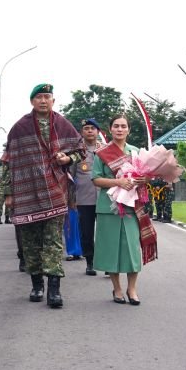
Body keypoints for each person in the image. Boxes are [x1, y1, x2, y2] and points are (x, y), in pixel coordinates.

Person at [2, 83, 85, 308]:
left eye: (47, 97)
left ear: (53, 101)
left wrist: (67, 159)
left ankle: (54, 290)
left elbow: (80, 151)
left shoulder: (63, 124)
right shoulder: (19, 128)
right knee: (30, 243)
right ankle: (37, 284)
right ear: (32, 102)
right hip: (26, 194)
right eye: (38, 97)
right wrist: (8, 193)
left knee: (53, 242)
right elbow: (7, 162)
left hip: (55, 191)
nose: (43, 101)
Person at [92, 115, 155, 305]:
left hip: (132, 207)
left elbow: (146, 176)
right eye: (116, 126)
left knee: (132, 250)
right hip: (108, 207)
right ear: (110, 129)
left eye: (123, 126)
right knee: (111, 249)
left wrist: (145, 179)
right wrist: (118, 182)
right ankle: (117, 288)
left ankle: (132, 288)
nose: (120, 129)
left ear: (129, 130)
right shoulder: (101, 153)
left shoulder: (136, 152)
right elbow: (96, 179)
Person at [70, 118, 103, 275]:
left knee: (105, 232)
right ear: (81, 132)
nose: (90, 130)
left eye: (93, 128)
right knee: (86, 232)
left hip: (105, 198)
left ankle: (106, 263)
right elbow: (70, 177)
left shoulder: (106, 150)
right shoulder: (77, 152)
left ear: (98, 132)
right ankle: (90, 262)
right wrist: (71, 198)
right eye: (86, 128)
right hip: (84, 198)